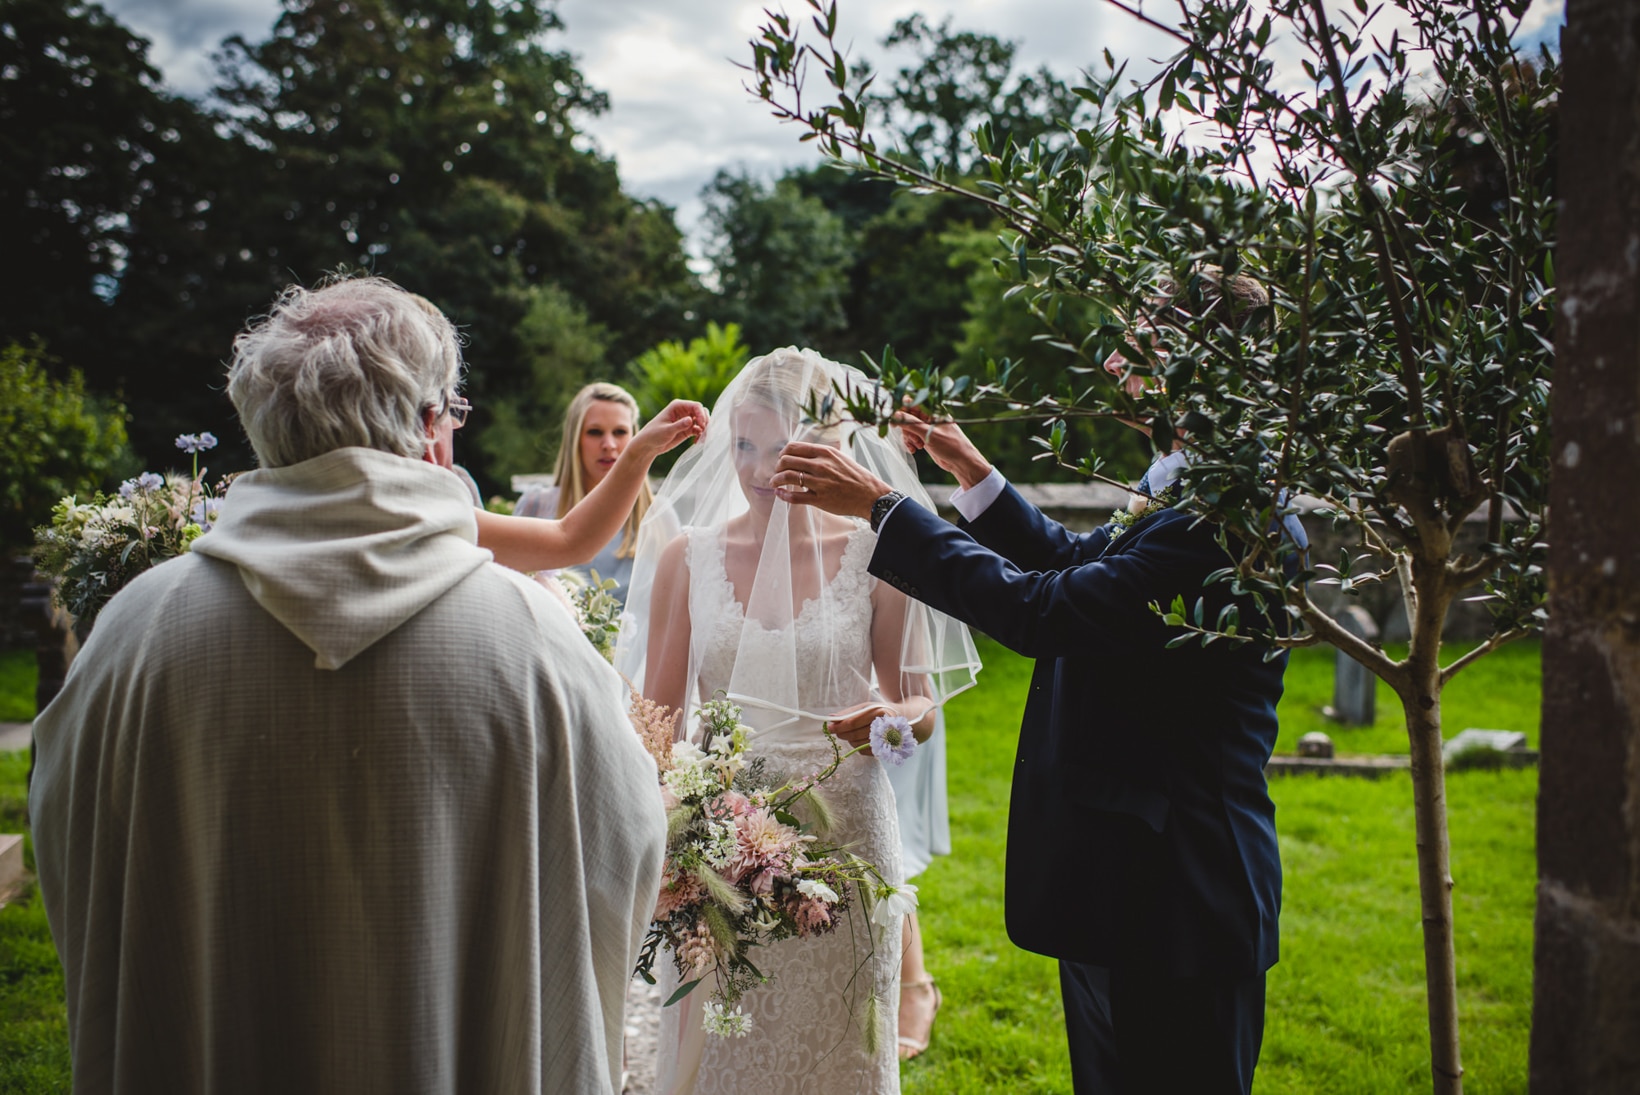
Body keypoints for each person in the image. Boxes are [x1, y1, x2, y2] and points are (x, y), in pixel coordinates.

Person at [29, 276, 669, 1095]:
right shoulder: (537, 642)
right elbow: (621, 855)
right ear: (431, 427)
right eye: (456, 412)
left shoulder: (136, 632)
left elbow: (72, 841)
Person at [772, 272, 1300, 1094]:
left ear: (1205, 364)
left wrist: (883, 508)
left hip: (1179, 896)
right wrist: (974, 474)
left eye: (1143, 343)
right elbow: (1076, 568)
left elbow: (1045, 611)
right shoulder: (1181, 491)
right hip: (1121, 883)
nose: (1121, 363)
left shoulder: (1226, 519)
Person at [617, 347, 980, 1095]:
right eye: (742, 445)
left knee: (839, 1046)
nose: (755, 470)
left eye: (777, 448)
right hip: (721, 841)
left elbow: (921, 706)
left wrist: (892, 716)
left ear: (828, 448)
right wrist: (673, 830)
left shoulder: (879, 554)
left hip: (847, 834)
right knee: (725, 1049)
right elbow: (656, 719)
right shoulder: (690, 556)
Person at [515, 381, 652, 603]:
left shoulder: (657, 516)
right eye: (595, 432)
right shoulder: (537, 505)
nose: (608, 444)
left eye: (620, 432)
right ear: (574, 439)